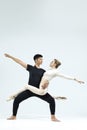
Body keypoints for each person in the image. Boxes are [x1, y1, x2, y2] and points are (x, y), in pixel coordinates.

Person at [4, 53, 61, 121]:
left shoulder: (43, 71)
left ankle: (53, 117)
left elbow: (47, 80)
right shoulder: (30, 68)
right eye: (40, 59)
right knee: (16, 100)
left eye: (42, 59)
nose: (42, 60)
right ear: (36, 60)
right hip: (30, 90)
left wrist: (46, 84)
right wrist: (10, 56)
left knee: (51, 100)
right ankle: (13, 116)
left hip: (38, 91)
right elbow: (19, 62)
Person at [7, 59, 84, 100]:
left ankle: (12, 96)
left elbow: (65, 76)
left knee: (26, 86)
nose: (50, 62)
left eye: (52, 62)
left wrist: (76, 79)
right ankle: (55, 97)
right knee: (28, 87)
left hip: (42, 90)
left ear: (55, 64)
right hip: (42, 88)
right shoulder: (49, 70)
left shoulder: (56, 72)